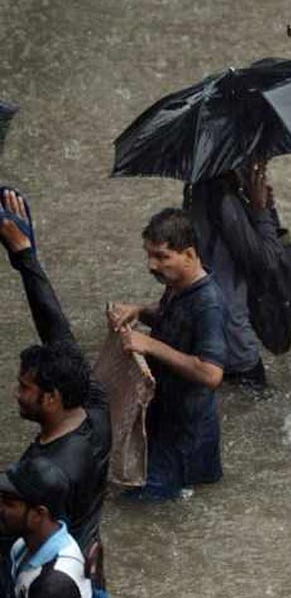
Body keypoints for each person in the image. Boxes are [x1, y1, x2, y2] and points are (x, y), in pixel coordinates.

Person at [0, 188, 109, 592]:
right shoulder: (92, 406)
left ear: (52, 398)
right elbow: (57, 329)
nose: (16, 394)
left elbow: (14, 528)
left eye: (25, 388)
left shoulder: (57, 472)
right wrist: (26, 257)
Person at [108, 208, 227, 500]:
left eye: (162, 256)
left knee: (134, 507)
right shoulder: (178, 286)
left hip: (185, 432)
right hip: (166, 418)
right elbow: (172, 315)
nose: (152, 265)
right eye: (149, 255)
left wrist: (149, 345)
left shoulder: (209, 303)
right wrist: (139, 310)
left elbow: (212, 374)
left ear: (188, 254)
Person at [184, 160, 283, 389]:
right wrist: (261, 211)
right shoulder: (225, 201)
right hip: (235, 348)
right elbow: (268, 260)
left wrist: (258, 206)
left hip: (208, 335)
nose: (262, 166)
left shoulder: (196, 189)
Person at [0, 458, 92, 598]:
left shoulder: (55, 585)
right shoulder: (21, 546)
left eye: (9, 503)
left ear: (38, 513)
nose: (1, 508)